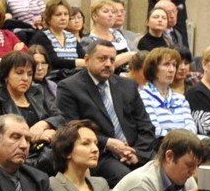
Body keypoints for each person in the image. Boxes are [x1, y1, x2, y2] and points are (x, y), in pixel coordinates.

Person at [54, 38, 153, 182]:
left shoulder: (128, 85)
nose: (108, 64)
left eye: (112, 60)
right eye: (102, 59)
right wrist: (107, 143)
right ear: (87, 60)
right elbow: (70, 128)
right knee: (128, 178)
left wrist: (138, 154)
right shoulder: (70, 87)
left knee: (164, 172)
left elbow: (145, 125)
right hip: (100, 154)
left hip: (134, 151)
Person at [45, 119, 121, 191]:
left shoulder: (101, 183)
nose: (95, 149)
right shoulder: (51, 186)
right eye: (86, 143)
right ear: (66, 152)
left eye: (96, 143)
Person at [0, 49, 60, 148]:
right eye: (19, 73)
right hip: (14, 151)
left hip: (45, 148)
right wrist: (30, 136)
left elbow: (60, 117)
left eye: (30, 74)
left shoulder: (38, 92)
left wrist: (44, 124)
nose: (25, 78)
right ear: (5, 75)